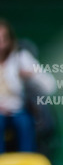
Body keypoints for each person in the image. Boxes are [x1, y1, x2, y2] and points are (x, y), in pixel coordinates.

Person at [0, 19, 55, 153]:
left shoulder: (21, 58)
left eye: (3, 39)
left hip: (19, 110)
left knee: (24, 123)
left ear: (10, 40)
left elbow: (50, 85)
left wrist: (32, 76)